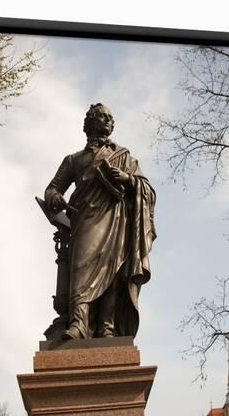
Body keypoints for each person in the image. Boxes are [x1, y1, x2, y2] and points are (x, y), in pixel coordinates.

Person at [44, 103, 156, 339]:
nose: (106, 121)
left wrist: (128, 179)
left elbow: (147, 189)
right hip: (85, 220)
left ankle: (107, 327)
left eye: (109, 118)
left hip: (116, 220)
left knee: (112, 271)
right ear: (89, 123)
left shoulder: (124, 156)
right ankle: (78, 324)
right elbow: (52, 189)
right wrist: (55, 198)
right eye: (101, 116)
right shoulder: (74, 160)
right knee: (81, 269)